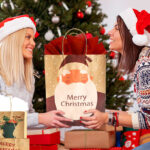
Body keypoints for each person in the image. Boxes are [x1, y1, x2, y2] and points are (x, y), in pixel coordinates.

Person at [81, 8, 150, 149]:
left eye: (117, 29)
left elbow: (147, 119)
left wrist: (106, 117)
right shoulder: (143, 60)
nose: (109, 33)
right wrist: (105, 114)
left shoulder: (145, 64)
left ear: (132, 35)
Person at [0, 14, 72, 128]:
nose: (33, 43)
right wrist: (41, 118)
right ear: (13, 41)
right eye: (28, 37)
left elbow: (26, 119)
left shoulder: (28, 78)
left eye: (33, 38)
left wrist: (53, 122)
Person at [46, 55, 106, 125]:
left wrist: (105, 117)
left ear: (91, 78)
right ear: (59, 79)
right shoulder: (51, 101)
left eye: (82, 77)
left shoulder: (99, 98)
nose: (75, 81)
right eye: (69, 77)